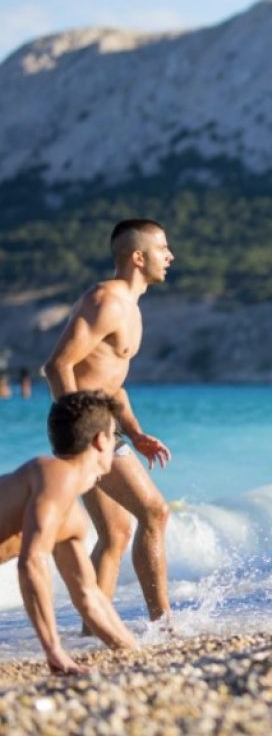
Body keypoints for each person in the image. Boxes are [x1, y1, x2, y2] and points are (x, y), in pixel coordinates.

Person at [43, 218, 175, 627]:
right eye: (163, 249)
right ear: (138, 257)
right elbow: (57, 366)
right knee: (155, 512)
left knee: (116, 533)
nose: (170, 257)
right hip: (86, 429)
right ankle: (163, 623)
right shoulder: (107, 301)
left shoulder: (130, 310)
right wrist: (82, 434)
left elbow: (112, 385)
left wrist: (134, 433)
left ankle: (94, 630)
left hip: (103, 427)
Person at [1, 391, 139, 674]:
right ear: (101, 441)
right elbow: (32, 562)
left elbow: (89, 596)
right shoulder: (55, 474)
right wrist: (54, 650)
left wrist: (131, 650)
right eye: (115, 435)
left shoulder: (72, 516)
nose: (115, 444)